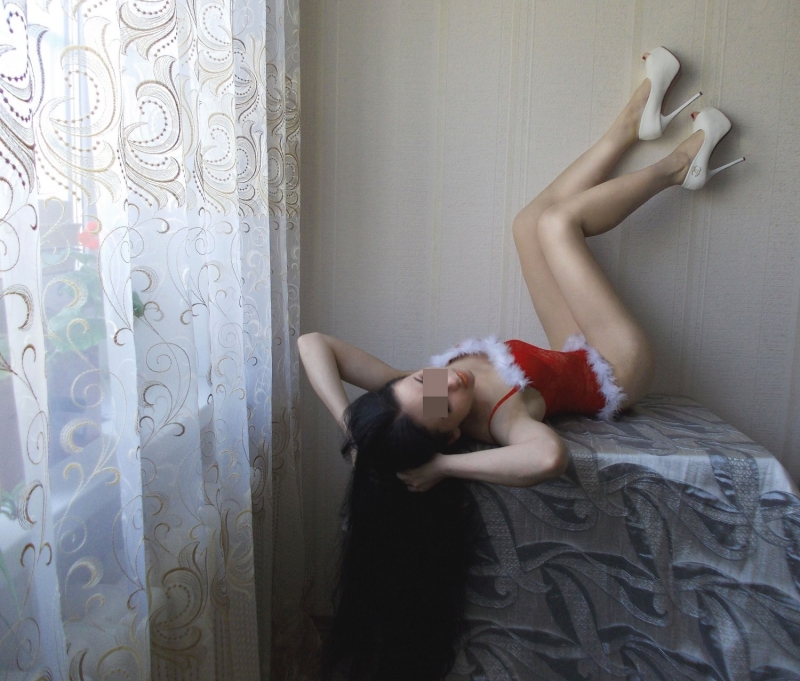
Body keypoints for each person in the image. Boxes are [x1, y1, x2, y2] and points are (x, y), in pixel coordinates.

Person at [298, 46, 744, 681]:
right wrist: (444, 468)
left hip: (570, 349)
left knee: (527, 222)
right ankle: (680, 165)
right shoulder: (500, 420)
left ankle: (630, 126)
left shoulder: (418, 394)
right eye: (446, 402)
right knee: (560, 226)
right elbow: (547, 458)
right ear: (451, 434)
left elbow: (313, 343)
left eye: (423, 379)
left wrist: (349, 419)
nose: (448, 380)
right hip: (614, 368)